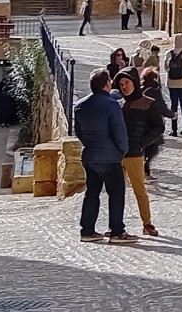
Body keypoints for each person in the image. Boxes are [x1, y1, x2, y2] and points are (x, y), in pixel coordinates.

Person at [74, 68, 136, 243]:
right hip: (110, 157)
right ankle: (117, 231)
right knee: (116, 193)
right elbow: (120, 132)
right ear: (107, 84)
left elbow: (78, 131)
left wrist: (89, 144)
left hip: (89, 155)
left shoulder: (80, 105)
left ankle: (87, 230)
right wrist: (121, 152)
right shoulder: (112, 105)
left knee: (92, 192)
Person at [112, 67, 163, 237]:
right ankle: (116, 226)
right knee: (116, 191)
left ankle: (147, 223)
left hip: (135, 153)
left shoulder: (148, 103)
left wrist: (142, 143)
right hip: (117, 154)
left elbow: (159, 127)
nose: (124, 86)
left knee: (139, 190)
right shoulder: (118, 105)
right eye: (121, 84)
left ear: (134, 82)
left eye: (126, 82)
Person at [139, 68, 173, 179]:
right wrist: (172, 115)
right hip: (153, 123)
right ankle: (144, 169)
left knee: (145, 147)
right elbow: (161, 107)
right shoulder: (155, 91)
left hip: (141, 123)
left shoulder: (140, 89)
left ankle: (145, 172)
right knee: (154, 148)